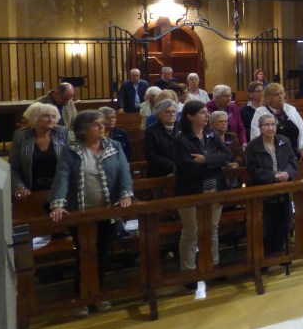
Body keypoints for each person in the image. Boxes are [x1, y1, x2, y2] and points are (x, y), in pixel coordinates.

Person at [48, 110, 133, 316]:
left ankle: (97, 294)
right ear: (83, 130)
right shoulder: (71, 150)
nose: (102, 127)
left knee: (102, 253)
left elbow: (124, 172)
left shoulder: (114, 146)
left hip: (107, 210)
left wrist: (126, 195)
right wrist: (58, 204)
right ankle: (81, 297)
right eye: (96, 124)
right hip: (81, 212)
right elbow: (62, 177)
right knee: (84, 254)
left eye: (103, 123)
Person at [173, 100, 232, 274]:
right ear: (190, 116)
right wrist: (215, 162)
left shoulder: (210, 133)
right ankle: (189, 270)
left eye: (207, 112)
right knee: (191, 232)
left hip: (214, 188)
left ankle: (213, 265)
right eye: (202, 113)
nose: (207, 116)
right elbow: (187, 166)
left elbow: (226, 155)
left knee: (212, 228)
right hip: (191, 190)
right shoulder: (181, 139)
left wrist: (206, 160)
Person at [245, 113, 299, 256]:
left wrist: (287, 173)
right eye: (267, 125)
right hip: (265, 194)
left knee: (283, 224)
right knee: (266, 226)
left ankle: (280, 253)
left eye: (273, 124)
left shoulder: (284, 141)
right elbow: (253, 170)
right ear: (260, 127)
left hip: (284, 191)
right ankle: (266, 256)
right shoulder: (253, 146)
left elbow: (292, 161)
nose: (270, 128)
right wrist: (273, 176)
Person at [10, 102, 69, 209]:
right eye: (46, 116)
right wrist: (19, 187)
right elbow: (13, 166)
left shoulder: (62, 132)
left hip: (58, 189)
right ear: (35, 118)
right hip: (30, 190)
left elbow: (69, 163)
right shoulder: (21, 136)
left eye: (53, 116)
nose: (51, 119)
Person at [249, 82, 303, 164]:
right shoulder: (261, 112)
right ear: (269, 98)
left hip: (294, 154)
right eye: (276, 95)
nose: (280, 96)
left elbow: (302, 131)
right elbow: (255, 136)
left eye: (281, 93)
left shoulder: (291, 109)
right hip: (271, 157)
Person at [144, 99, 180, 177]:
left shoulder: (182, 127)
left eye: (173, 111)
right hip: (160, 172)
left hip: (182, 169)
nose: (171, 114)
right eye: (167, 112)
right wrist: (172, 166)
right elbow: (150, 155)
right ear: (158, 114)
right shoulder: (151, 131)